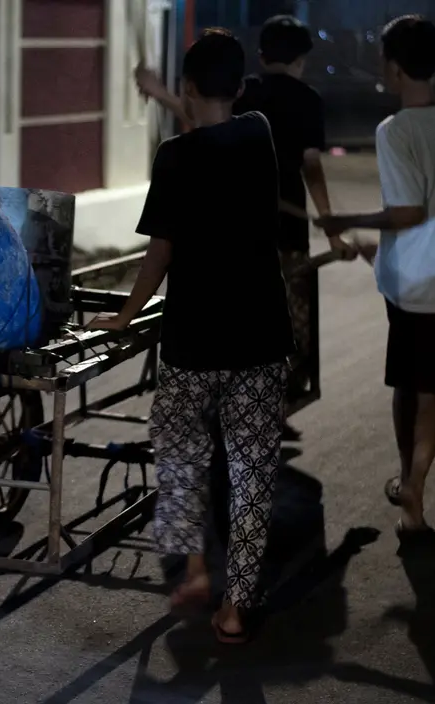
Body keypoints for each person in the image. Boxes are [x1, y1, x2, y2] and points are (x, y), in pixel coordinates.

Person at [88, 29, 291, 645]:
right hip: (258, 337)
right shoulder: (258, 134)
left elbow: (159, 252)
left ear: (189, 87)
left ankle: (196, 570)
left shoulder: (175, 158)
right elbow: (215, 122)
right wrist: (173, 95)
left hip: (192, 340)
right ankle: (236, 608)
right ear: (240, 86)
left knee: (180, 458)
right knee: (253, 470)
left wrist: (124, 316)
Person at [135, 14, 353, 441]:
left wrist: (160, 91)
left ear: (260, 57)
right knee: (291, 334)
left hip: (207, 275)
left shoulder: (240, 100)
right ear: (302, 60)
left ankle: (231, 422)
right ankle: (266, 413)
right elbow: (312, 168)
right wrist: (331, 231)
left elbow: (200, 121)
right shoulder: (288, 110)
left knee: (219, 346)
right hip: (282, 238)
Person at [316, 16, 435, 539]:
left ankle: (409, 488)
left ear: (392, 65)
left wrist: (348, 222)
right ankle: (415, 495)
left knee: (406, 387)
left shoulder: (394, 131)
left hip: (412, 285)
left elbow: (408, 213)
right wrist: (374, 245)